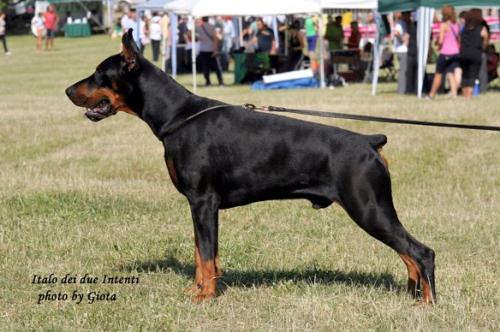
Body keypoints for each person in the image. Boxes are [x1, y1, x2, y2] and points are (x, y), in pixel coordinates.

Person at [428, 5, 460, 98]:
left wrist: (437, 42)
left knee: (438, 74)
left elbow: (441, 41)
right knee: (451, 73)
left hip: (445, 52)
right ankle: (454, 95)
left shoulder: (444, 25)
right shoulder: (456, 25)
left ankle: (432, 94)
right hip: (455, 52)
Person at [459, 9, 488, 99]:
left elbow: (459, 40)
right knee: (472, 75)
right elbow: (485, 43)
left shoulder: (464, 28)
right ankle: (469, 96)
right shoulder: (481, 29)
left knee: (464, 75)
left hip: (463, 53)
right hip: (475, 53)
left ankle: (464, 95)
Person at [196, 17, 224, 86]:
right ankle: (221, 82)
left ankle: (208, 82)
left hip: (202, 49)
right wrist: (216, 50)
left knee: (205, 67)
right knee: (217, 68)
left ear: (202, 19)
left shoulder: (199, 28)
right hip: (211, 49)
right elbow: (215, 39)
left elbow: (198, 37)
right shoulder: (212, 27)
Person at [393, 12, 409, 94]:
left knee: (403, 70)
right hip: (402, 50)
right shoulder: (399, 23)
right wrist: (403, 39)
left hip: (401, 49)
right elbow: (396, 33)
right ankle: (401, 90)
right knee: (403, 71)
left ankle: (403, 89)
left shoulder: (400, 23)